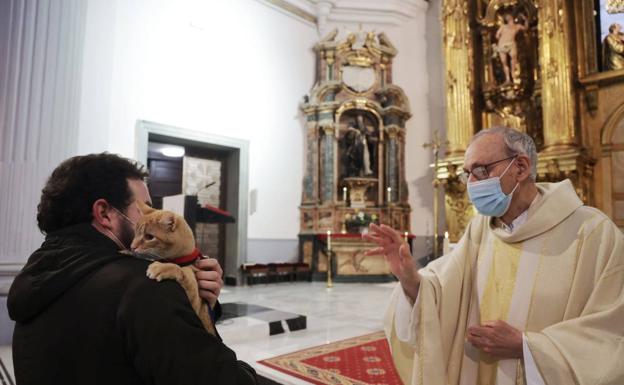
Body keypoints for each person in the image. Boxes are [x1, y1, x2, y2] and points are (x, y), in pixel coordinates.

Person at [365, 127, 624, 385]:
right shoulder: (480, 229)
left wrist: (528, 347)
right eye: (467, 174)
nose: (471, 184)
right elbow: (444, 293)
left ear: (520, 168)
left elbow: (610, 332)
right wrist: (409, 278)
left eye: (481, 171)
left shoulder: (592, 233)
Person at [7, 153, 256, 385]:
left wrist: (199, 303)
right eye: (143, 207)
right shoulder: (144, 288)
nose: (151, 216)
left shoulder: (36, 276)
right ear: (104, 213)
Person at [495, 13, 528, 84]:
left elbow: (525, 28)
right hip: (502, 44)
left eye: (510, 17)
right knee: (504, 62)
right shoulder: (503, 27)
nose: (509, 18)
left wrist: (525, 19)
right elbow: (497, 35)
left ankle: (513, 76)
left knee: (513, 58)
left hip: (511, 44)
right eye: (508, 17)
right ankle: (508, 78)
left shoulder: (517, 26)